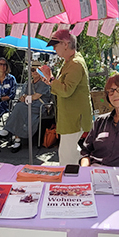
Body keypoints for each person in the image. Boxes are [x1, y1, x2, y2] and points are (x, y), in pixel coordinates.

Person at [46, 30, 92, 165]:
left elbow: (66, 90)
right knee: (70, 152)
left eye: (55, 45)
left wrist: (50, 80)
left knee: (66, 155)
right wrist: (51, 80)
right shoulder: (70, 62)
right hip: (72, 117)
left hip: (74, 118)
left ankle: (70, 181)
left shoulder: (75, 63)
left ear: (66, 44)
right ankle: (82, 173)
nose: (54, 48)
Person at [0, 61, 53, 153]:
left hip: (40, 106)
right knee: (19, 108)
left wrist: (25, 97)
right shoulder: (28, 83)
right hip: (27, 105)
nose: (33, 72)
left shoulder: (44, 83)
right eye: (31, 70)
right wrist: (25, 97)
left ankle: (8, 131)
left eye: (36, 70)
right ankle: (17, 140)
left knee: (19, 108)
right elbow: (22, 96)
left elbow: (36, 96)